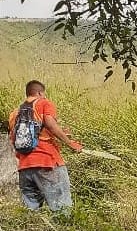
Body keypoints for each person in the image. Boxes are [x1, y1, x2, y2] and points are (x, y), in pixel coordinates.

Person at [8, 80, 83, 211]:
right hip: (47, 162)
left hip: (25, 168)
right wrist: (71, 144)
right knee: (62, 209)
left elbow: (14, 139)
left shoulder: (15, 114)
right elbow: (50, 124)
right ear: (40, 92)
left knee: (30, 213)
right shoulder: (44, 103)